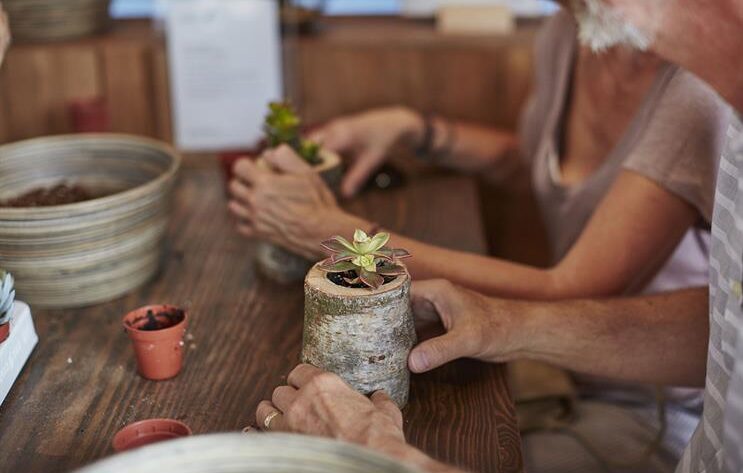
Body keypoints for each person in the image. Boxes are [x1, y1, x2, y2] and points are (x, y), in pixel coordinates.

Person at [231, 1, 729, 471]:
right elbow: (543, 166)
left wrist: (332, 232)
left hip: (639, 406)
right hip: (555, 369)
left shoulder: (700, 89)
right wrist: (415, 130)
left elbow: (576, 290)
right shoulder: (572, 34)